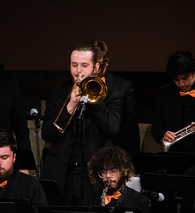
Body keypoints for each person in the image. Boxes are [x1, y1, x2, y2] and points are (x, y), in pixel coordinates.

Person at [41, 42, 122, 205]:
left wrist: (94, 100)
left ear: (96, 67)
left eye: (84, 65)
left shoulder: (111, 95)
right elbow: (47, 134)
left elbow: (113, 128)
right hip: (62, 175)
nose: (78, 71)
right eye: (74, 65)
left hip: (94, 177)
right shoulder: (58, 95)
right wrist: (70, 106)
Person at [90, 40, 140, 153]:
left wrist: (133, 157)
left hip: (113, 150)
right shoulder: (75, 85)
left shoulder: (122, 86)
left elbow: (131, 127)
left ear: (106, 63)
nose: (96, 70)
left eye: (100, 64)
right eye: (93, 64)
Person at [86, 146, 149, 213]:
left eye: (113, 171)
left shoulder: (139, 201)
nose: (107, 176)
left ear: (123, 171)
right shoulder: (93, 200)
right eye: (103, 172)